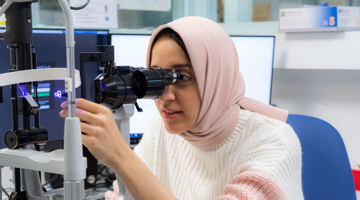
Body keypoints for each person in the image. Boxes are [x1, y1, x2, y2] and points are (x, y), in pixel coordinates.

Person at [59, 16, 304, 200]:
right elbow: (125, 195)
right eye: (157, 78)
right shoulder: (164, 128)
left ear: (214, 77)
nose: (165, 97)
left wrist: (121, 156)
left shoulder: (274, 144)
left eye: (182, 77)